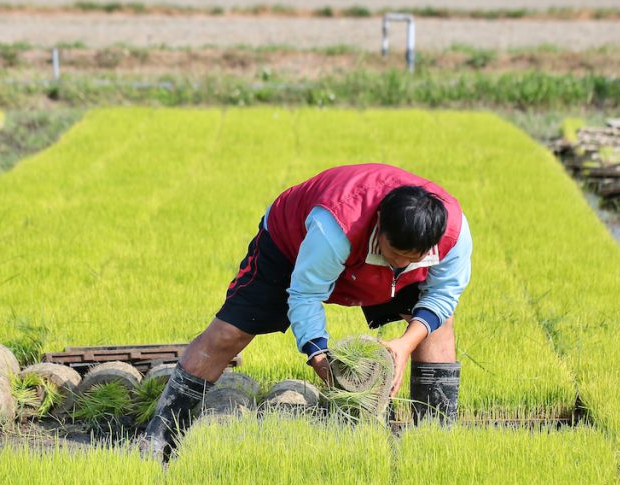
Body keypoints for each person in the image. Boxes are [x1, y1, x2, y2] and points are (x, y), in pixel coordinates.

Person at [139, 163, 472, 459]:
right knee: (229, 333)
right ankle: (160, 438)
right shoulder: (337, 224)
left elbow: (442, 297)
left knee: (436, 327)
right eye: (395, 252)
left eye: (413, 257)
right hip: (293, 245)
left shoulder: (452, 234)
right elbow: (304, 294)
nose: (400, 263)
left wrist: (403, 346)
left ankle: (436, 439)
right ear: (380, 224)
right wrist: (320, 358)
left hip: (369, 260)